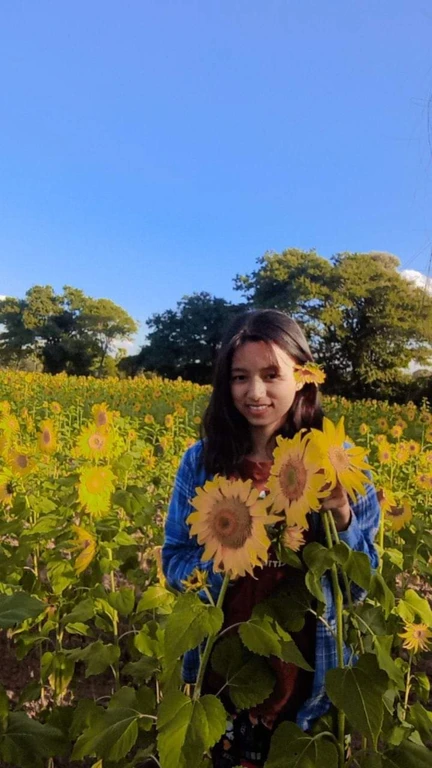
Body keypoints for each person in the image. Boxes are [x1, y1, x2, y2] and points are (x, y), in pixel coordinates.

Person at [162, 309, 380, 768]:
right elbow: (175, 561)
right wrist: (228, 558)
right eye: (240, 377)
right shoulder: (201, 463)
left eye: (271, 375)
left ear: (301, 377)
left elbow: (359, 585)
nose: (255, 392)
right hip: (225, 673)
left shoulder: (337, 461)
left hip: (310, 678)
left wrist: (341, 514)